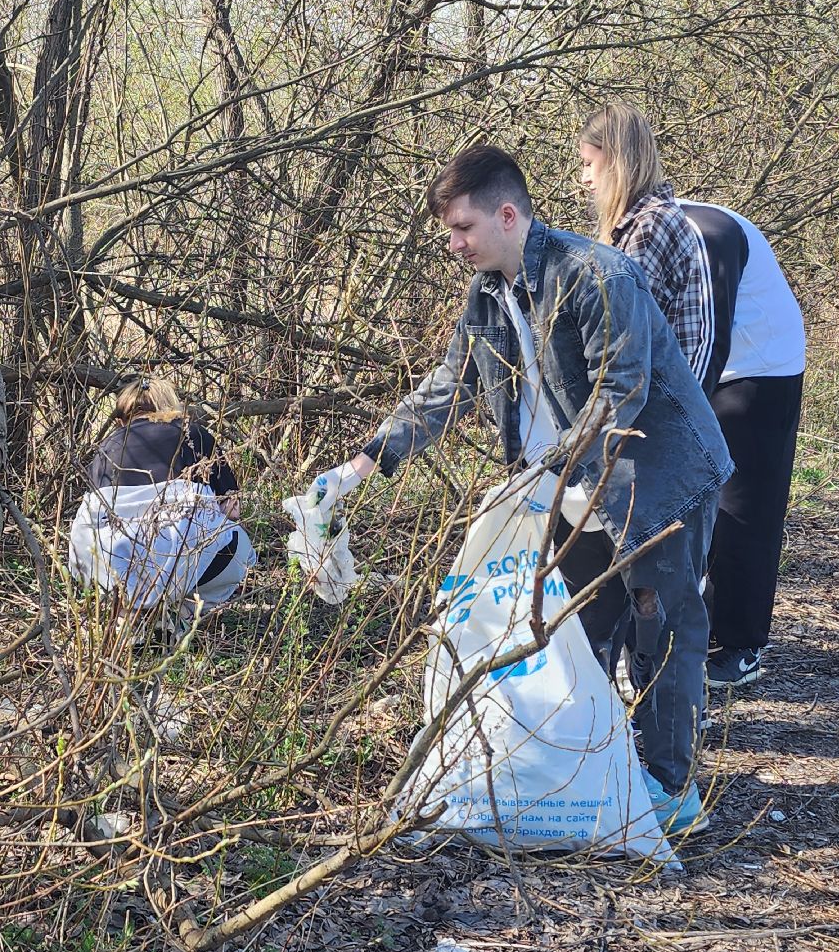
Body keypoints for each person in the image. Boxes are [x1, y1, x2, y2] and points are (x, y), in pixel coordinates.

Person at [306, 145, 733, 833]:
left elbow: (618, 392)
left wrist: (547, 470)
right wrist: (359, 467)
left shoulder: (596, 275)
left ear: (508, 215)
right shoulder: (487, 296)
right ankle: (581, 774)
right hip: (565, 488)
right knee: (572, 631)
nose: (454, 244)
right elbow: (449, 388)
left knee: (660, 626)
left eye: (463, 228)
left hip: (653, 481)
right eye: (449, 231)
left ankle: (668, 789)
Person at [578, 103, 806, 688]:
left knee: (740, 506)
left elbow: (708, 338)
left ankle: (741, 646)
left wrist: (677, 425)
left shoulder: (697, 236)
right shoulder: (634, 232)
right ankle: (676, 634)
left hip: (761, 369)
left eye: (589, 165)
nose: (583, 180)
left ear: (617, 163)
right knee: (689, 501)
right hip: (710, 366)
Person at [69, 377, 255, 621]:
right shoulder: (192, 434)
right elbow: (231, 508)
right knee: (236, 539)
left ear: (122, 418)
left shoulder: (107, 446)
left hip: (116, 569)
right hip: (188, 562)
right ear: (169, 405)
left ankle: (128, 613)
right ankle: (186, 613)